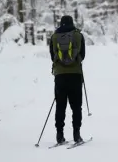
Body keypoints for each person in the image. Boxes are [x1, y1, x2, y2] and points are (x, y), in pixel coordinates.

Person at [49, 15, 85, 144]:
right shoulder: (78, 35)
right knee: (76, 106)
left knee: (60, 106)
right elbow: (83, 55)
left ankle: (59, 135)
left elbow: (52, 56)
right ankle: (76, 134)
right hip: (75, 75)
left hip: (60, 77)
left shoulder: (54, 37)